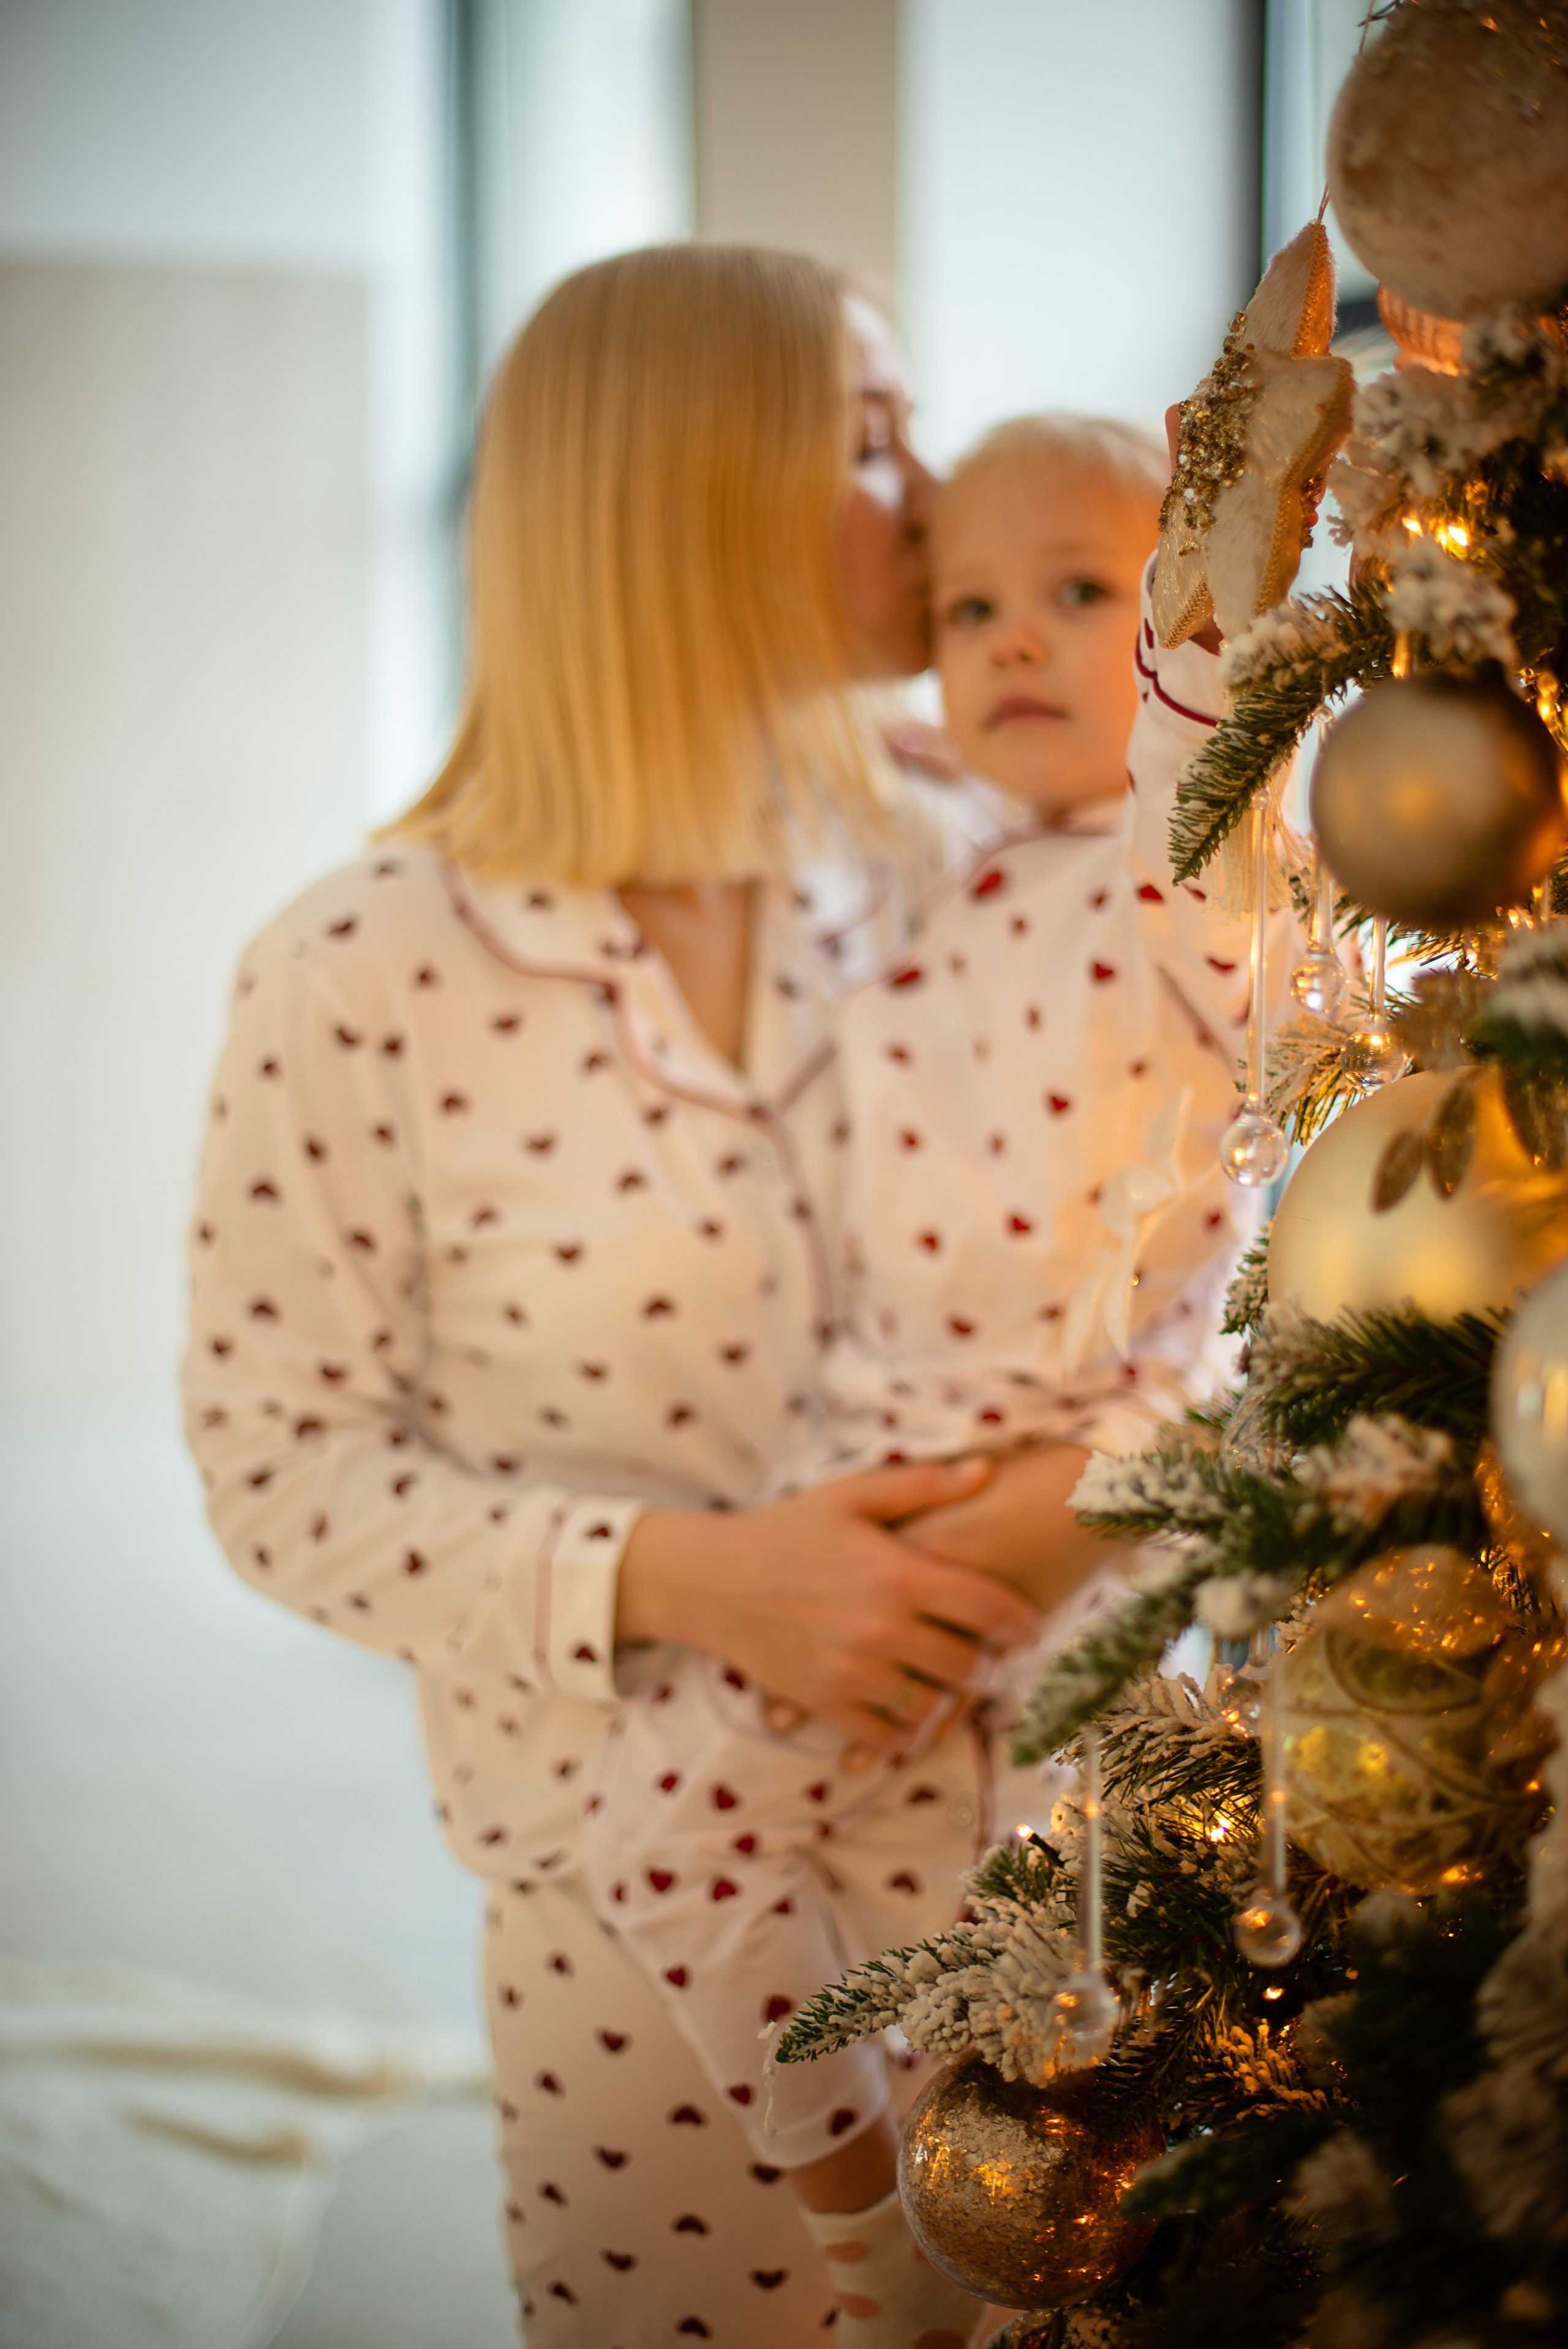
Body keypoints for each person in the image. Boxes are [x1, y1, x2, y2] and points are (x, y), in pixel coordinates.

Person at [181, 246, 1090, 2349]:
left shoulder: (997, 856)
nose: (937, 495)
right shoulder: (360, 969)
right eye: (873, 443)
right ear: (696, 501)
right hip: (637, 1932)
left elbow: (1207, 1273)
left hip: (1047, 1835)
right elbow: (275, 1467)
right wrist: (690, 1578)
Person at [579, 414, 1273, 2347]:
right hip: (871, 1480)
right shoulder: (951, 862)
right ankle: (874, 2247)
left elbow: (1198, 782)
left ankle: (1020, 2284)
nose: (1018, 646)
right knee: (663, 1833)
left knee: (1081, 1994)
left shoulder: (1169, 865)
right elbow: (853, 742)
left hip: (1085, 1482)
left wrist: (1198, 650)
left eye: (1079, 594)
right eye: (970, 608)